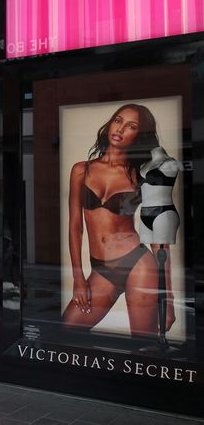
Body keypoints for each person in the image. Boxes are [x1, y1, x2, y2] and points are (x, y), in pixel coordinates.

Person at [63, 103, 172, 338]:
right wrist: (78, 278)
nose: (121, 128)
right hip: (101, 270)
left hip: (137, 264)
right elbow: (74, 226)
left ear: (138, 135)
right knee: (66, 330)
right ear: (110, 123)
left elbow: (159, 237)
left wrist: (169, 299)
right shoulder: (82, 170)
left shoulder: (142, 176)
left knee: (143, 345)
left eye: (131, 126)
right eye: (118, 120)